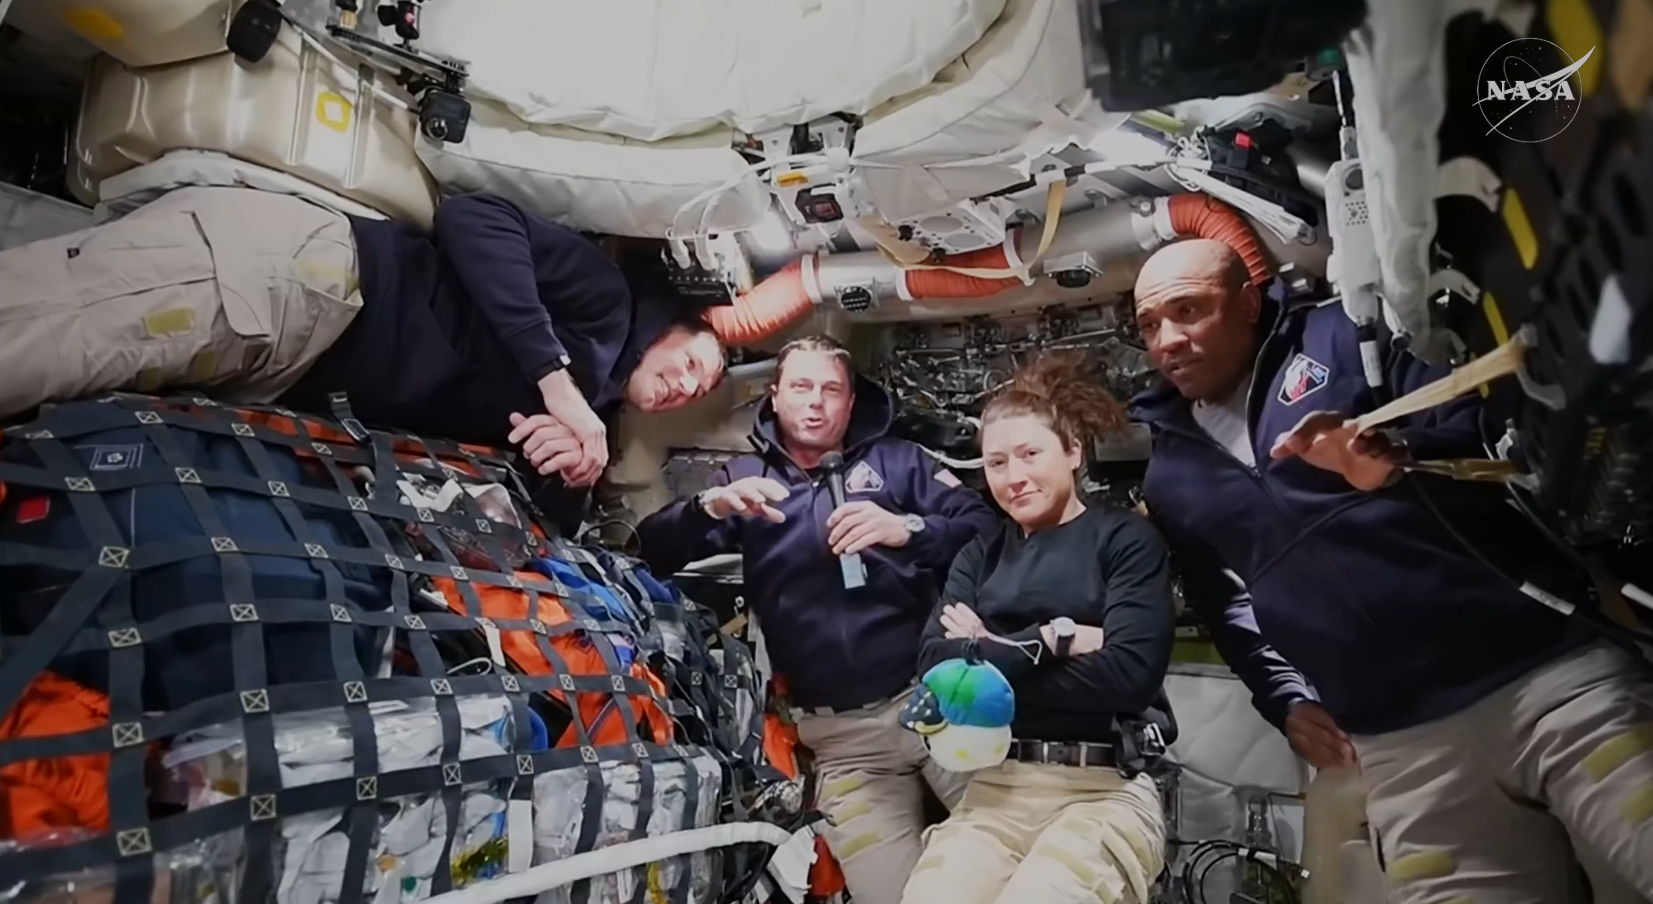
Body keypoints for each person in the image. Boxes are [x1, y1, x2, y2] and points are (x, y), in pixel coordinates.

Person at [1128, 237, 1653, 901]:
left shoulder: (1349, 334)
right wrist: (1282, 695)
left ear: (1247, 302)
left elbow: (1491, 433)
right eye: (1149, 325)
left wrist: (1400, 457)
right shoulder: (1171, 473)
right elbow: (1225, 599)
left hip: (1548, 679)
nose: (1167, 340)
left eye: (1187, 310)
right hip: (1400, 744)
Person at [0, 187, 725, 489]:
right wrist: (553, 380)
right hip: (301, 284)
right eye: (695, 360)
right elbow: (475, 219)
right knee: (35, 342)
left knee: (48, 392)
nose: (691, 384)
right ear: (665, 329)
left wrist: (570, 469)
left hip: (286, 372)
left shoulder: (589, 419)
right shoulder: (604, 305)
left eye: (703, 390)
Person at [636, 335, 997, 904]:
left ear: (850, 404)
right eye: (801, 387)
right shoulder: (745, 480)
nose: (815, 402)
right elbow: (647, 552)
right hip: (843, 743)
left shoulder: (899, 463)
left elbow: (985, 529)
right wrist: (709, 507)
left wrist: (910, 529)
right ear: (775, 395)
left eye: (831, 390)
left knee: (1019, 860)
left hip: (935, 699)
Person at [898, 352, 1176, 904]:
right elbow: (935, 672)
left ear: (1072, 452)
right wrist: (1055, 640)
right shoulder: (979, 556)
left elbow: (1128, 677)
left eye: (1030, 454)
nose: (1015, 477)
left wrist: (984, 652)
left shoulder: (1125, 541)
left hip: (1102, 790)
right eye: (997, 463)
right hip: (995, 789)